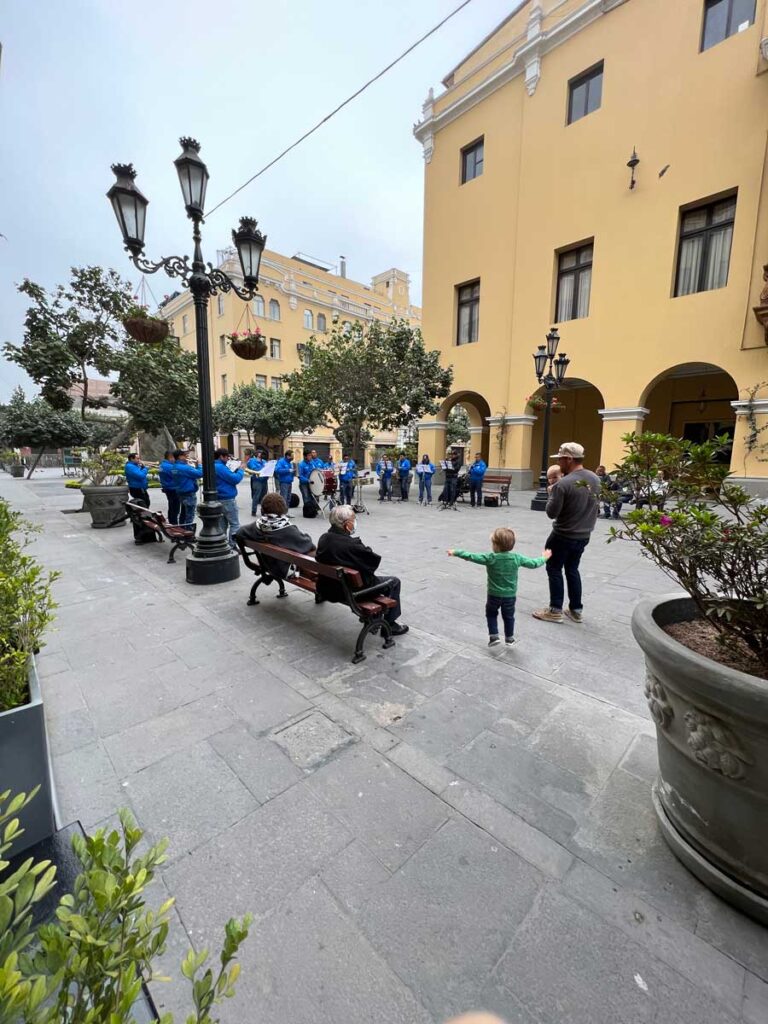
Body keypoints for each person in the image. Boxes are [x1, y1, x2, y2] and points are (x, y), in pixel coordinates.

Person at [533, 442, 600, 625]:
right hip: (584, 535)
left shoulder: (563, 484)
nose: (559, 462)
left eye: (561, 458)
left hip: (562, 535)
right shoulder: (595, 479)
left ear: (569, 459)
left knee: (553, 568)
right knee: (572, 569)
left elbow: (551, 513)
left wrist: (551, 493)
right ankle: (576, 610)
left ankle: (555, 610)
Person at [315, 504, 409, 635]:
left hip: (327, 588)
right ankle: (390, 625)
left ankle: (376, 617)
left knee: (370, 579)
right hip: (349, 592)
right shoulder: (352, 546)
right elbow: (372, 563)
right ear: (347, 525)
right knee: (394, 582)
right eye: (353, 520)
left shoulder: (324, 538)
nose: (355, 523)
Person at [449, 527, 550, 646]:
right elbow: (534, 564)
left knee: (491, 614)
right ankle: (509, 638)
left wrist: (456, 552)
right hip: (510, 596)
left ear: (495, 545)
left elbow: (471, 556)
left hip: (493, 595)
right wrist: (544, 557)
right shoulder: (516, 558)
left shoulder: (491, 558)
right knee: (509, 617)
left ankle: (494, 636)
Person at [235, 492, 315, 579]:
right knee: (313, 554)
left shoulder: (257, 526)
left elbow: (239, 533)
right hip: (283, 569)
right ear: (283, 509)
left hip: (265, 563)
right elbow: (308, 544)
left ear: (263, 509)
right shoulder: (287, 529)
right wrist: (307, 536)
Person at [213, 448, 244, 549]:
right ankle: (232, 545)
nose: (228, 459)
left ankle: (222, 545)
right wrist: (241, 470)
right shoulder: (220, 467)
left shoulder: (215, 465)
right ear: (221, 456)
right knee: (235, 524)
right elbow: (234, 479)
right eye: (227, 457)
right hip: (227, 498)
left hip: (219, 497)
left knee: (222, 524)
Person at [173, 449, 203, 529]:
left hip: (180, 492)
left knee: (183, 513)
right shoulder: (184, 468)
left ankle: (182, 529)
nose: (186, 456)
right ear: (179, 457)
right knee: (190, 515)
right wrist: (199, 465)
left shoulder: (174, 467)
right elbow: (200, 473)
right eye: (184, 455)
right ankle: (188, 533)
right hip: (188, 493)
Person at [158, 450, 179, 525]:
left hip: (167, 487)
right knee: (175, 507)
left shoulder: (162, 465)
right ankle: (174, 523)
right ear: (170, 457)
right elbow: (177, 476)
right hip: (172, 488)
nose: (175, 460)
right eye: (174, 458)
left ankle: (171, 521)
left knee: (171, 505)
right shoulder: (170, 467)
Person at [247, 448, 268, 516]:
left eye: (262, 453)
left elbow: (268, 468)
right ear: (257, 454)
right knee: (256, 496)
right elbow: (254, 469)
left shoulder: (264, 461)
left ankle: (263, 511)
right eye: (260, 453)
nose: (261, 454)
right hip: (257, 481)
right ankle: (254, 511)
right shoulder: (252, 461)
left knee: (264, 497)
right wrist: (264, 469)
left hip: (264, 480)